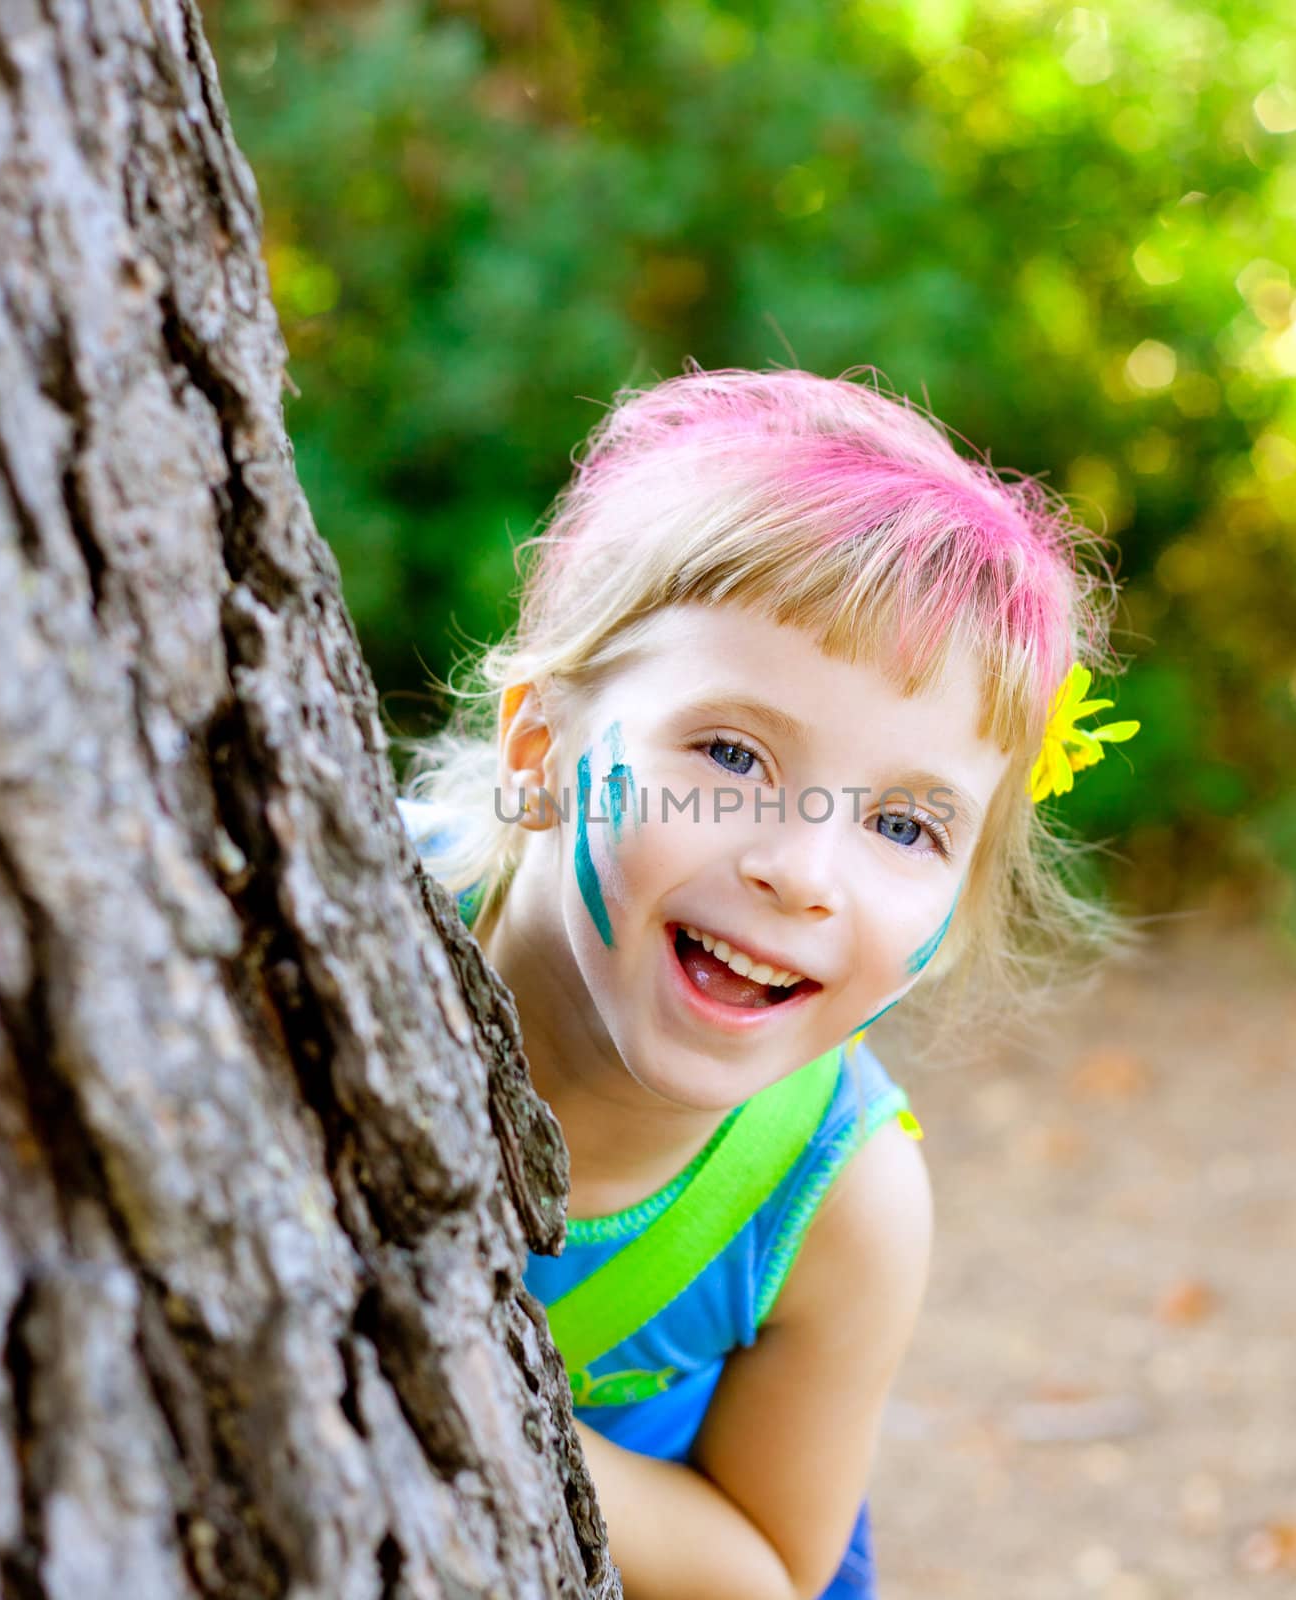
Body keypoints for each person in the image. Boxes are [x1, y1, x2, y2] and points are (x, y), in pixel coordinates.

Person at [398, 367, 1136, 1600]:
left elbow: (766, 1570)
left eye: (905, 825)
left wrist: (465, 1397)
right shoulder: (339, 921)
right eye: (732, 754)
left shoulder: (838, 1199)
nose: (802, 873)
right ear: (538, 744)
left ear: (950, 915)